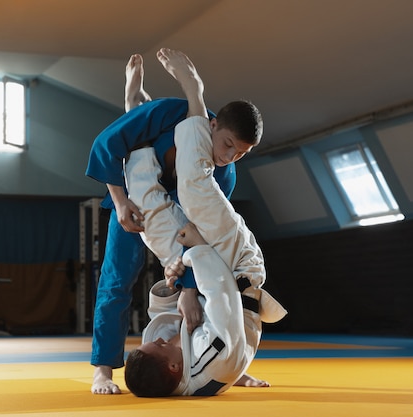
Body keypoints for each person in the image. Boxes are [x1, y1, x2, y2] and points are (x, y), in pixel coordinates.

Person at [86, 54, 260, 394]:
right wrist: (120, 204)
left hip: (179, 222)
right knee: (116, 281)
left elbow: (205, 241)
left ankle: (226, 363)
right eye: (227, 145)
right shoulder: (169, 113)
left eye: (240, 154)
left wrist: (190, 289)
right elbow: (107, 145)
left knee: (215, 288)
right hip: (135, 198)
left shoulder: (224, 175)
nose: (228, 157)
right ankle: (103, 369)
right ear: (212, 125)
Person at [123, 48, 287, 396]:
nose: (163, 340)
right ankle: (194, 92)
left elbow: (172, 319)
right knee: (195, 189)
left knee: (149, 218)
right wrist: (195, 249)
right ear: (172, 364)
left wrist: (174, 284)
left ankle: (134, 114)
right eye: (162, 346)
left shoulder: (179, 373)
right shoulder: (215, 360)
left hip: (203, 265)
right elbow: (222, 295)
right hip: (237, 265)